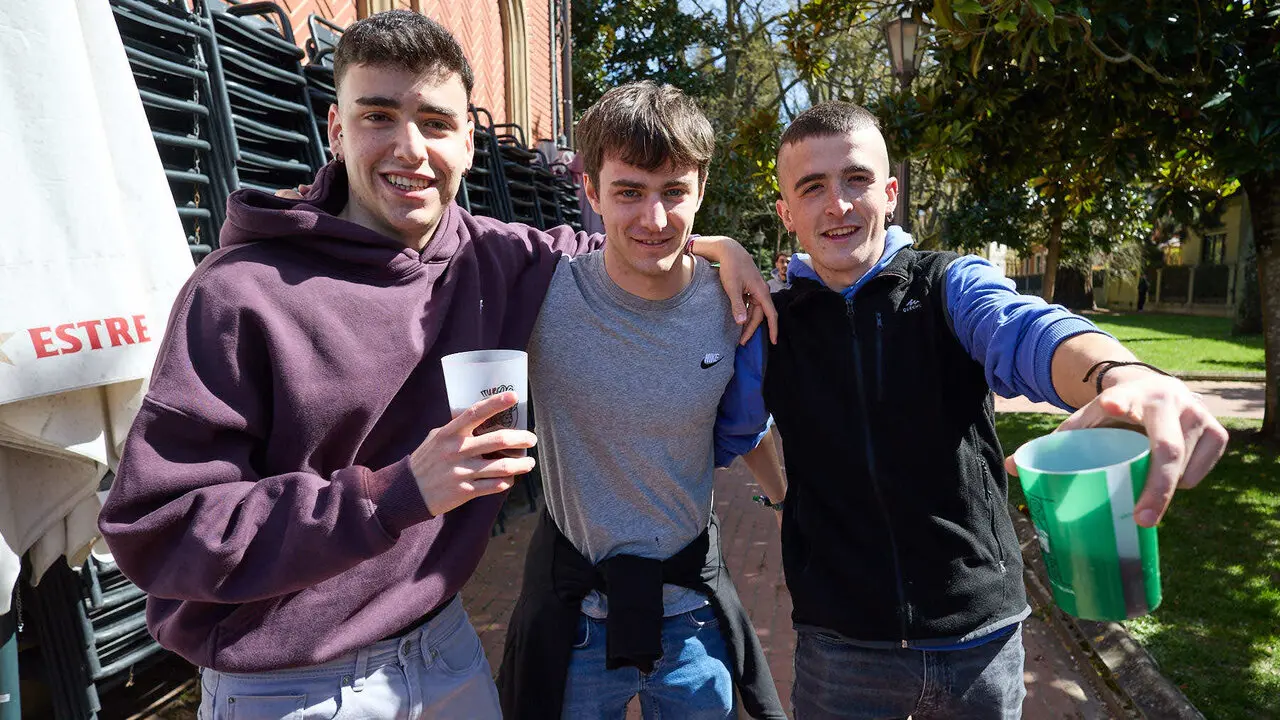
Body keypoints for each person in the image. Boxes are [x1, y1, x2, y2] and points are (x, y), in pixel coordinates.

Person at [97, 12, 770, 720]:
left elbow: (630, 243)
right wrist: (392, 494)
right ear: (335, 128)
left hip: (448, 653)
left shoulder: (500, 258)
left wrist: (721, 249)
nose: (409, 148)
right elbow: (160, 528)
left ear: (469, 142)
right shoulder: (238, 292)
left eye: (436, 122)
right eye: (378, 115)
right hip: (291, 683)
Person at [726, 101, 1228, 718]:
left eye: (856, 180)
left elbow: (1027, 329)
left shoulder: (949, 286)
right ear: (787, 212)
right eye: (812, 187)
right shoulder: (772, 322)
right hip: (841, 648)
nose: (838, 204)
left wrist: (1117, 373)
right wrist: (782, 498)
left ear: (888, 193)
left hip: (980, 643)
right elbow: (736, 427)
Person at [496, 81, 787, 720]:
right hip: (575, 622)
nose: (654, 220)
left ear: (701, 191)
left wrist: (785, 500)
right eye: (629, 192)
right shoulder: (543, 294)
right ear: (592, 191)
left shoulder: (733, 307)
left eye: (673, 192)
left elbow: (746, 425)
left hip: (692, 621)